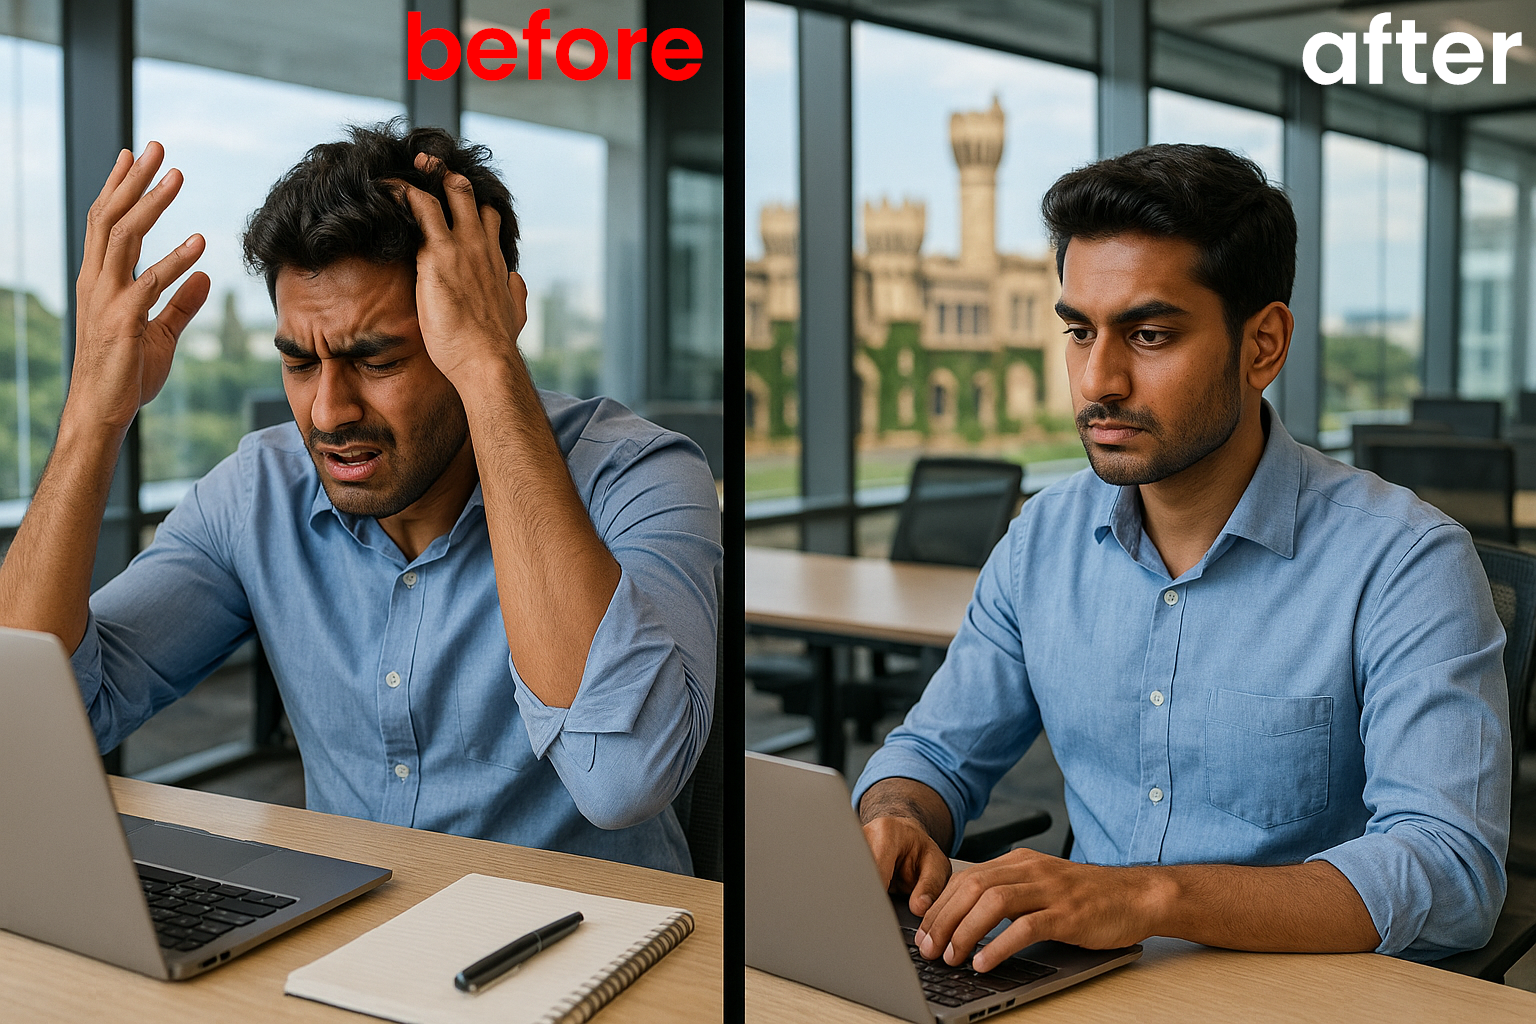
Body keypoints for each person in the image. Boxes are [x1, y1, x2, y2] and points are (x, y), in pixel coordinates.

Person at [0, 122, 720, 874]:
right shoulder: (257, 494)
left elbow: (623, 779)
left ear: (490, 318)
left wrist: (489, 370)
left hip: (607, 960)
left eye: (375, 359)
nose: (327, 412)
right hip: (348, 951)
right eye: (300, 363)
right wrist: (92, 413)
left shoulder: (640, 477)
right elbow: (25, 725)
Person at [854, 144, 1510, 967]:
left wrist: (1146, 895)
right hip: (1078, 983)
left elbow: (1450, 872)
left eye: (1150, 334)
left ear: (1262, 345)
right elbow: (934, 753)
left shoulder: (1406, 563)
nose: (1100, 379)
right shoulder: (1041, 542)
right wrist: (900, 816)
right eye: (1079, 331)